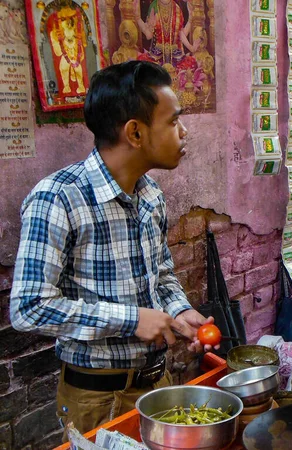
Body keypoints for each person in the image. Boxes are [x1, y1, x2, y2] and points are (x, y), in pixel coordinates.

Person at [10, 61, 215, 439]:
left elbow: (163, 274)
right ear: (135, 132)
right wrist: (132, 320)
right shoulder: (58, 198)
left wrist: (179, 309)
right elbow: (28, 308)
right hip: (97, 398)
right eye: (173, 122)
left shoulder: (150, 195)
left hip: (158, 383)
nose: (184, 132)